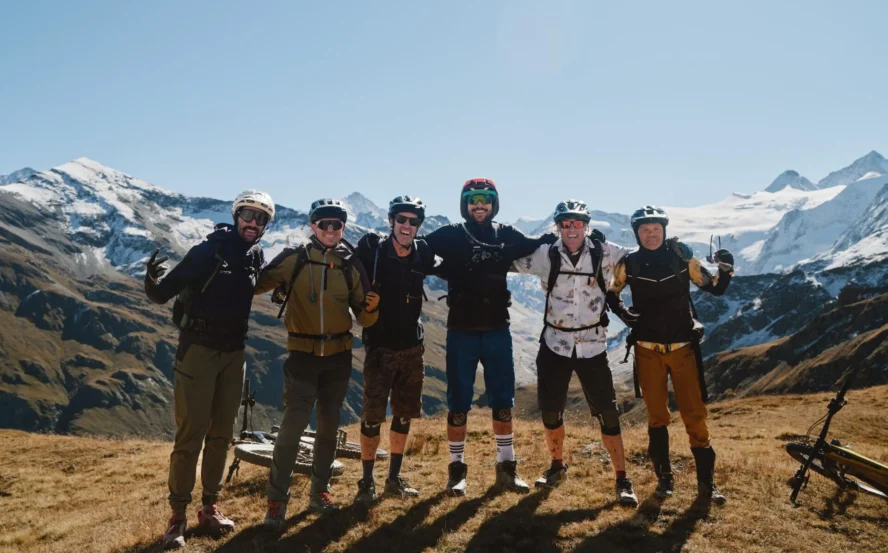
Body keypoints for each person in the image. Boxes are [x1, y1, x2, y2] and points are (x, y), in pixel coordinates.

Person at [144, 190, 274, 549]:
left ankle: (209, 507)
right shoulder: (207, 252)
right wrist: (151, 281)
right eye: (248, 215)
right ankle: (177, 517)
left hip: (234, 354)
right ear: (236, 216)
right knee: (190, 436)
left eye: (261, 218)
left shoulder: (256, 255)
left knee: (221, 436)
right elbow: (162, 294)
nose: (253, 223)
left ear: (266, 226)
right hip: (198, 352)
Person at [423, 178, 555, 496]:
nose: (479, 205)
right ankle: (456, 473)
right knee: (458, 404)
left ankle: (507, 471)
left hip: (498, 328)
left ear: (494, 204)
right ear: (464, 204)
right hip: (460, 331)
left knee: (502, 403)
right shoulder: (450, 235)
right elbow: (417, 249)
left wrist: (559, 238)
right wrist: (442, 268)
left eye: (485, 199)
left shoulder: (505, 233)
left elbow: (532, 245)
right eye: (473, 199)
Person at [255, 198, 379, 528]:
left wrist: (371, 309)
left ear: (343, 228)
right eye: (323, 224)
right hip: (302, 357)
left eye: (336, 224)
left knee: (328, 430)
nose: (330, 230)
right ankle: (276, 501)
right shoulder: (294, 258)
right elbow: (253, 285)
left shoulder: (350, 264)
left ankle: (319, 493)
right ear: (313, 226)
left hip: (338, 358)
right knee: (292, 429)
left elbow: (363, 318)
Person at [513, 199, 638, 507]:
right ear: (557, 226)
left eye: (577, 223)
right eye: (565, 224)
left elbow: (643, 258)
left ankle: (622, 479)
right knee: (551, 411)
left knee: (608, 413)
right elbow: (506, 261)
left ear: (587, 224)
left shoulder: (606, 252)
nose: (571, 229)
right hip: (555, 344)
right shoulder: (545, 255)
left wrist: (676, 250)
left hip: (593, 345)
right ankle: (557, 467)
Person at [607, 205, 733, 505]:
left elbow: (713, 288)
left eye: (656, 229)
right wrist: (626, 316)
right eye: (645, 230)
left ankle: (707, 485)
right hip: (647, 351)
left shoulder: (682, 258)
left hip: (683, 349)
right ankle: (664, 482)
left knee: (695, 416)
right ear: (637, 234)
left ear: (664, 230)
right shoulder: (630, 264)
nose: (651, 235)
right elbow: (612, 293)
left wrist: (725, 271)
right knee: (657, 418)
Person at [352, 195, 436, 503]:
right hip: (379, 347)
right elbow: (346, 269)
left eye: (413, 221)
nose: (407, 225)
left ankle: (393, 479)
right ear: (391, 221)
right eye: (401, 219)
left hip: (412, 349)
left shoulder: (423, 253)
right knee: (372, 417)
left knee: (404, 415)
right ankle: (365, 482)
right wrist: (361, 303)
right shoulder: (372, 249)